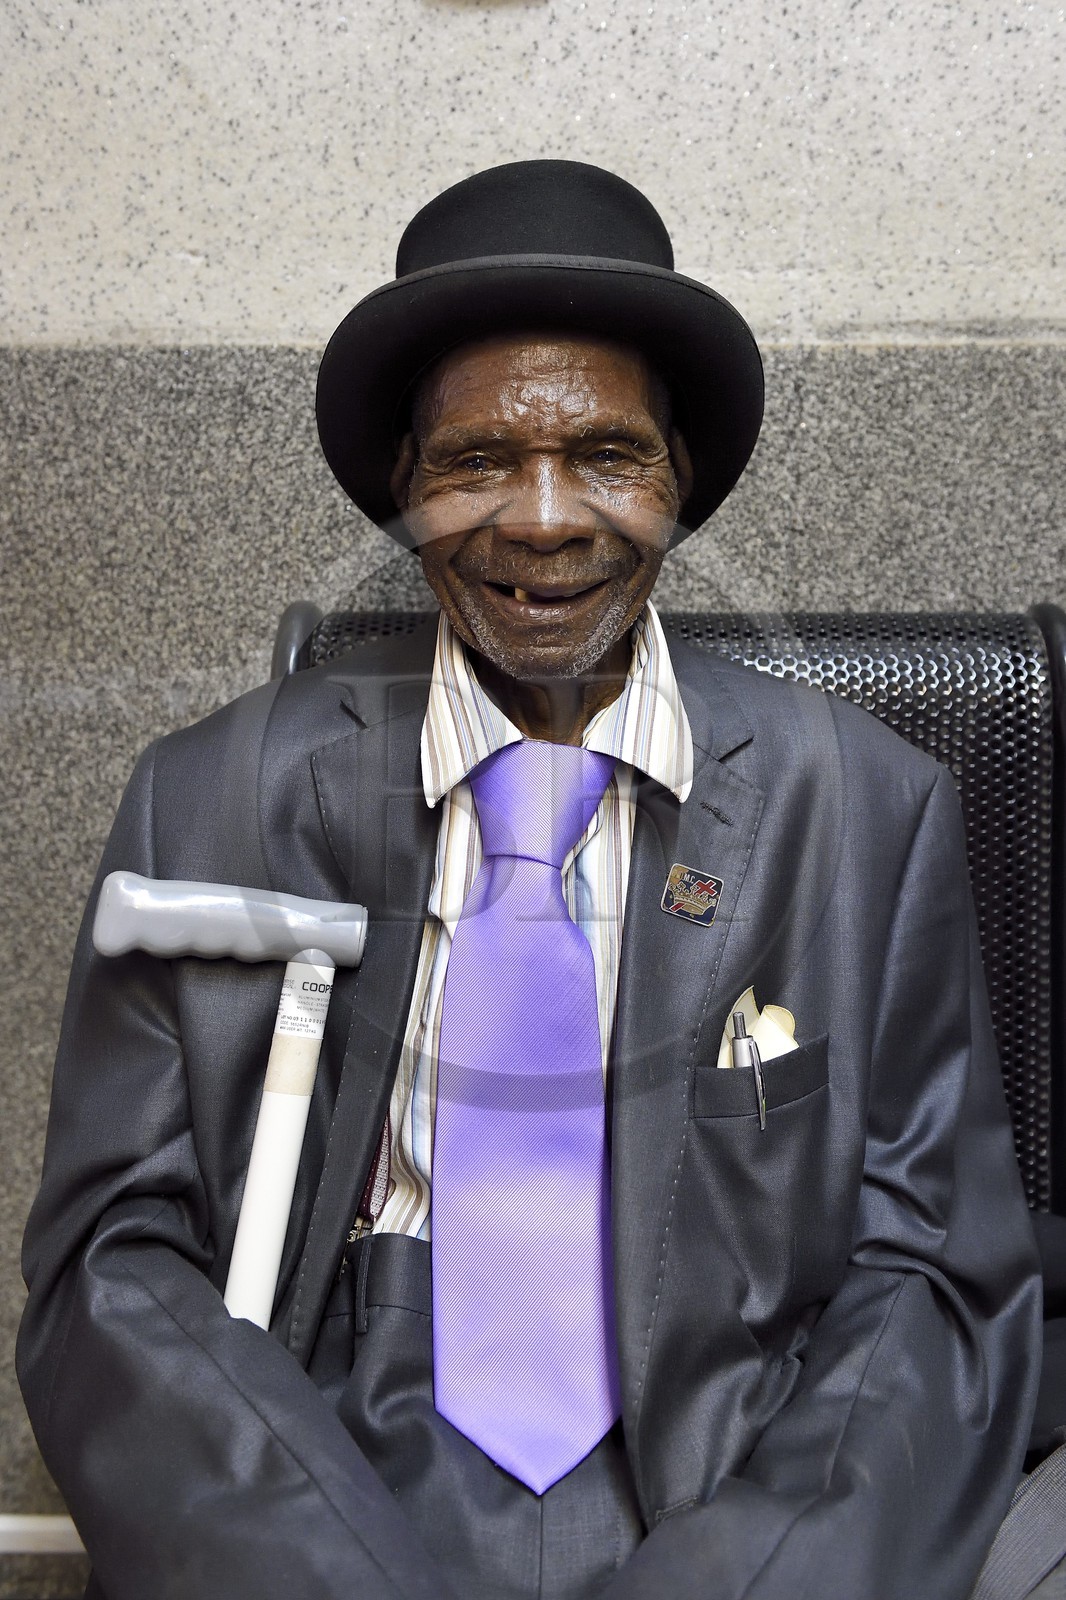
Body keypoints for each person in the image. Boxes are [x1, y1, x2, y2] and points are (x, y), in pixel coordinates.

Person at [18, 160, 1041, 1600]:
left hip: (739, 1446)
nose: (546, 518)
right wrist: (312, 1567)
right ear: (406, 492)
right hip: (335, 1447)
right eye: (477, 460)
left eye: (608, 455)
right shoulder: (206, 801)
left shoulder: (864, 807)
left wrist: (756, 1575)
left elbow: (933, 1273)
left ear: (678, 482)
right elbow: (109, 1266)